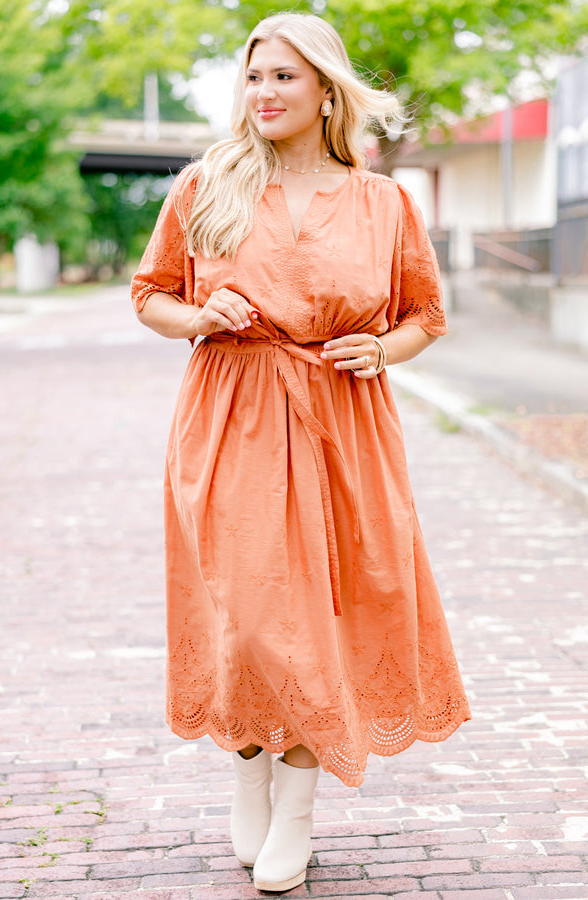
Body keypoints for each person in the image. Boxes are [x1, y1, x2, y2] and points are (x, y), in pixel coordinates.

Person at [131, 11, 471, 893]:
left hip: (342, 422)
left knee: (324, 613)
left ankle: (298, 811)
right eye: (253, 77)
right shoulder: (206, 184)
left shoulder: (382, 201)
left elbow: (425, 315)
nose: (264, 92)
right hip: (232, 414)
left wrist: (381, 350)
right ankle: (249, 770)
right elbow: (149, 294)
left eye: (283, 76)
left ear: (325, 90)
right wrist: (199, 315)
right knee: (246, 614)